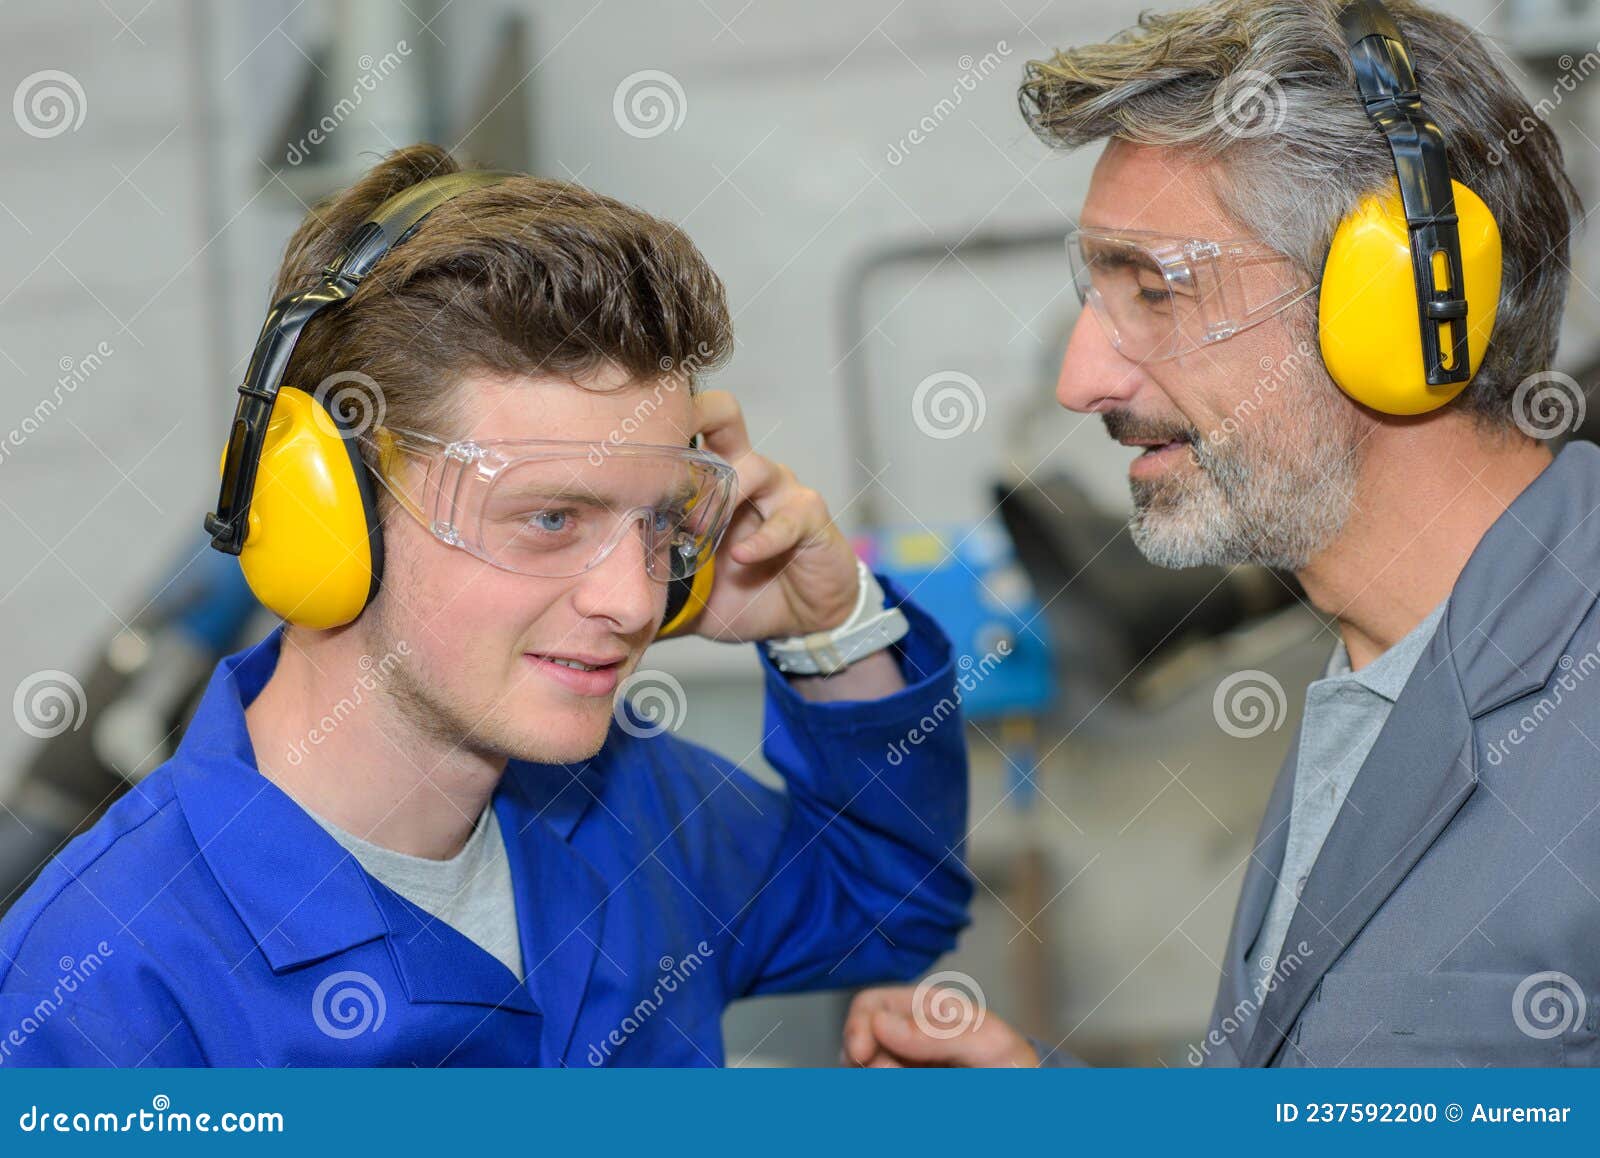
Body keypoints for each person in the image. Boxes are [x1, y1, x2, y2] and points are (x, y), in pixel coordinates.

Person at [0, 144, 972, 1067]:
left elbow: (892, 904)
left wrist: (832, 627)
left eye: (661, 521)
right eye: (550, 518)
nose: (634, 600)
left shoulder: (621, 806)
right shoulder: (108, 985)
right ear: (326, 514)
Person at [845, 0, 1598, 1067]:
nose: (1080, 381)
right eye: (1097, 295)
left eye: (1156, 291)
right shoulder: (1378, 673)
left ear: (1401, 305)